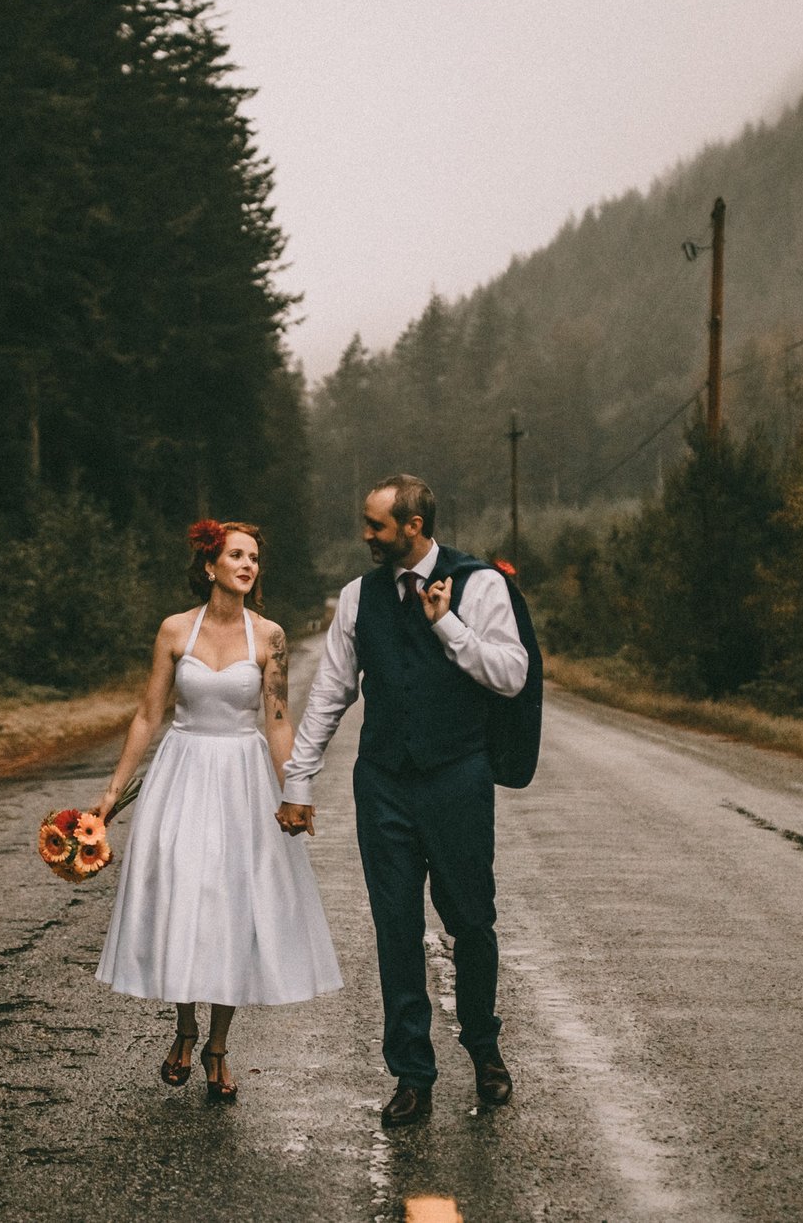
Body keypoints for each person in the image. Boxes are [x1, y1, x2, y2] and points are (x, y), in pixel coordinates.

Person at [277, 474, 526, 1127]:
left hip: (456, 777)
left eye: (376, 524)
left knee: (471, 920)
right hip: (383, 780)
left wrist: (449, 628)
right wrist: (299, 780)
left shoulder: (482, 585)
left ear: (412, 526)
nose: (366, 534)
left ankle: (484, 1047)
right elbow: (331, 693)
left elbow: (512, 674)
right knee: (395, 929)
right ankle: (412, 1073)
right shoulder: (358, 596)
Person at [92, 520, 342, 1101]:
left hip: (242, 778)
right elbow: (148, 715)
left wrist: (295, 792)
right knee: (185, 891)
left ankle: (218, 1045)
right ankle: (184, 1029)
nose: (249, 565)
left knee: (233, 904)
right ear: (211, 567)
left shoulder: (271, 636)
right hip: (182, 772)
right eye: (237, 555)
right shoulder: (175, 630)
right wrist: (112, 793)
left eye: (254, 556)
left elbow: (277, 722)